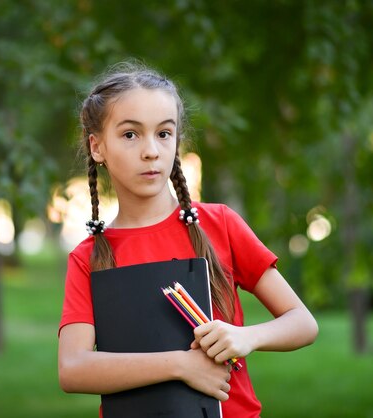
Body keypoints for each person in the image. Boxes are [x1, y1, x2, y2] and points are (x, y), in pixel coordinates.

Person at [58, 62, 318, 418]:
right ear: (97, 146)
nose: (151, 151)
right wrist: (180, 365)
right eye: (130, 135)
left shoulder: (220, 224)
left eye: (164, 133)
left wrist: (248, 337)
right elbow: (72, 369)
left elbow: (303, 323)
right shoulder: (87, 258)